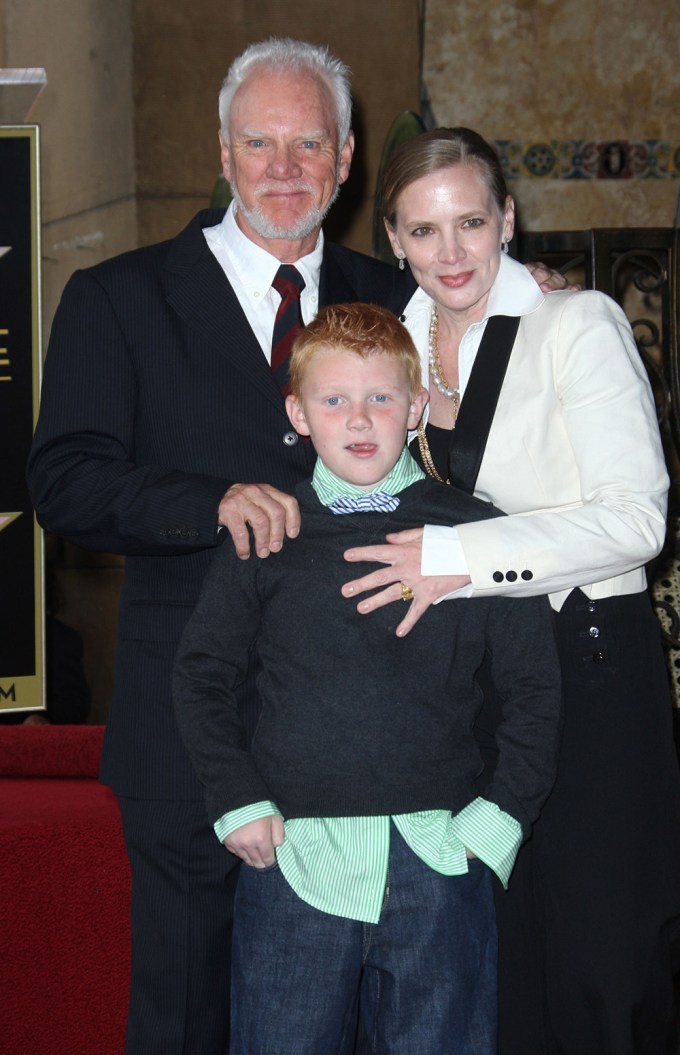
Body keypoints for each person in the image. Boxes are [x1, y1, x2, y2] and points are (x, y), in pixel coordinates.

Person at [25, 35, 568, 1053]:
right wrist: (211, 498)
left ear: (348, 155)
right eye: (259, 143)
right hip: (194, 735)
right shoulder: (119, 296)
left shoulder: (401, 289)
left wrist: (523, 290)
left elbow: (491, 356)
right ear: (223, 154)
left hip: (389, 756)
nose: (283, 167)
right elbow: (63, 482)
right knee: (190, 1010)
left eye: (307, 142)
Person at [338, 127, 680, 1055]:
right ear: (396, 240)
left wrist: (460, 556)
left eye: (471, 223)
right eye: (423, 229)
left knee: (597, 964)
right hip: (469, 696)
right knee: (500, 964)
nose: (450, 253)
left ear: (508, 221)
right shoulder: (391, 346)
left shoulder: (580, 324)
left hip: (590, 675)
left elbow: (635, 523)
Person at [172, 302, 563, 1055]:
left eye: (381, 397)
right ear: (298, 412)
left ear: (416, 405)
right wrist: (235, 798)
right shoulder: (269, 530)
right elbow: (202, 675)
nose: (360, 419)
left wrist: (501, 817)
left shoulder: (476, 531)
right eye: (334, 399)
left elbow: (533, 690)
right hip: (293, 854)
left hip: (442, 858)